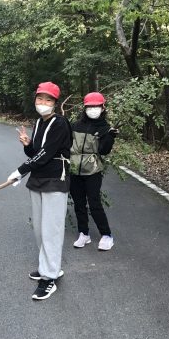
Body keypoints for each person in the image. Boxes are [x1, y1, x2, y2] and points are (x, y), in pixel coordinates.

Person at [8, 81, 72, 301]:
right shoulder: (38, 122)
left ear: (55, 102)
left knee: (51, 230)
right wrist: (27, 144)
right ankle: (48, 266)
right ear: (35, 99)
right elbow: (36, 153)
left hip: (55, 179)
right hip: (37, 179)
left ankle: (49, 277)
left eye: (48, 99)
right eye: (40, 98)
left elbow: (46, 154)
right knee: (39, 228)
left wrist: (20, 171)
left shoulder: (60, 123)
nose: (43, 102)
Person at [69, 92, 118, 251]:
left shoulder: (105, 128)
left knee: (94, 202)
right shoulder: (76, 125)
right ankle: (84, 233)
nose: (93, 109)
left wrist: (110, 137)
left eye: (96, 106)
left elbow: (103, 151)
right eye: (90, 106)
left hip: (93, 170)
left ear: (103, 108)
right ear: (85, 108)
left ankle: (106, 235)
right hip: (74, 169)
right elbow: (67, 144)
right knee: (79, 203)